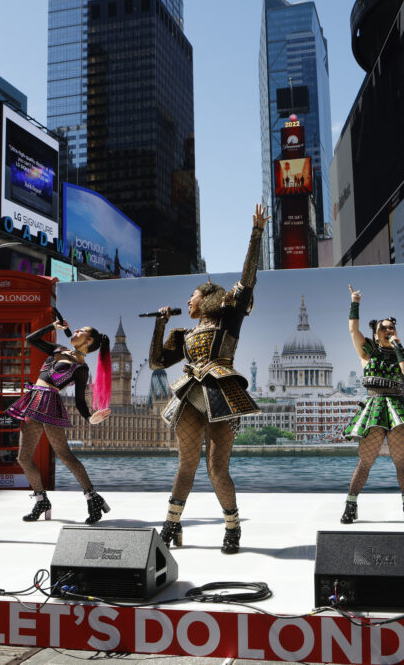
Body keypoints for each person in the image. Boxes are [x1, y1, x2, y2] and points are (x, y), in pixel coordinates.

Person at [149, 204, 267, 554]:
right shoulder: (184, 332)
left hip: (221, 392)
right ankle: (172, 525)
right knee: (186, 464)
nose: (187, 301)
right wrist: (160, 324)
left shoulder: (229, 318)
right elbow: (156, 361)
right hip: (189, 394)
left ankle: (232, 527)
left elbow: (247, 278)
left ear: (207, 298)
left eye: (192, 296)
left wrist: (257, 233)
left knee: (217, 468)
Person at [338, 285, 404, 525]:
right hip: (375, 406)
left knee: (401, 461)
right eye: (384, 327)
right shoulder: (367, 352)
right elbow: (352, 329)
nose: (389, 329)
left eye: (392, 326)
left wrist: (398, 346)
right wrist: (354, 302)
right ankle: (351, 505)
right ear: (376, 331)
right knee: (365, 461)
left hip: (397, 407)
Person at [7, 318, 112, 524]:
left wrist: (90, 418)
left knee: (65, 455)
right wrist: (52, 327)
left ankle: (93, 498)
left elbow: (81, 401)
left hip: (50, 404)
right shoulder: (59, 350)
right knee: (23, 457)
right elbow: (31, 339)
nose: (76, 330)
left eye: (81, 330)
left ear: (88, 340)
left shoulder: (81, 368)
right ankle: (41, 500)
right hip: (33, 399)